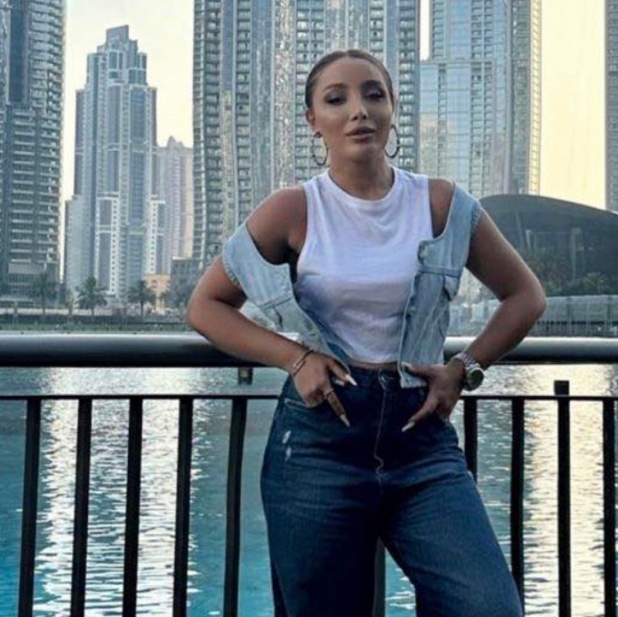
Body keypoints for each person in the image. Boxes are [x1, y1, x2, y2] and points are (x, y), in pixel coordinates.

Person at [187, 48, 545, 617]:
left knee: (488, 607)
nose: (359, 110)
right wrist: (295, 359)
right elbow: (207, 306)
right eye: (337, 99)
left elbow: (525, 296)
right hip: (318, 444)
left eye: (373, 94)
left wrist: (464, 369)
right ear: (314, 121)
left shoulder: (442, 204)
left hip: (421, 444)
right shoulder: (293, 209)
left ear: (393, 107)